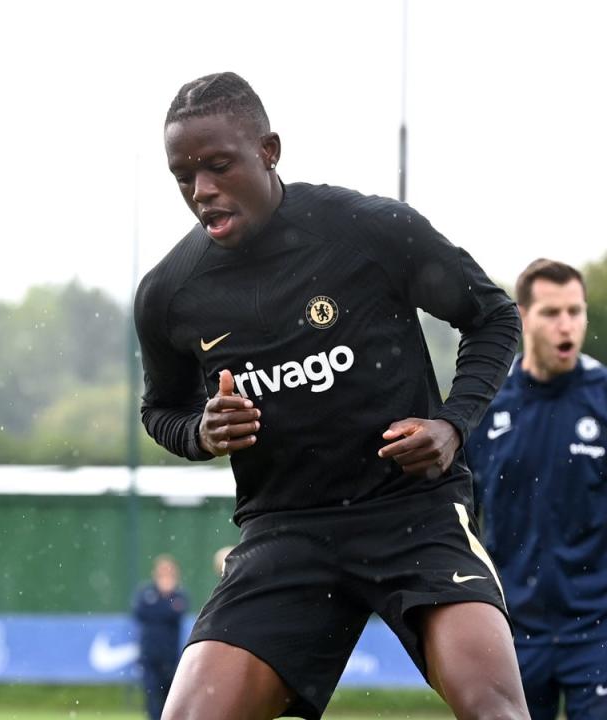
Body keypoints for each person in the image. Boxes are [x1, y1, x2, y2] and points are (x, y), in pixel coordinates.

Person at [134, 72, 529, 720]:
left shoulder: (368, 230)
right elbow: (160, 411)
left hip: (413, 512)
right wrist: (200, 432)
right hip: (284, 531)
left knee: (497, 712)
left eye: (218, 165)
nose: (201, 191)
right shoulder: (170, 293)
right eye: (183, 176)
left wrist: (453, 426)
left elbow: (493, 316)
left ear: (269, 150)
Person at [464, 259, 607, 720]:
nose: (566, 325)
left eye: (575, 311)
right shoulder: (488, 409)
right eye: (551, 313)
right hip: (514, 632)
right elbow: (459, 522)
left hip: (601, 630)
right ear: (522, 316)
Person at [132, 555, 189, 720]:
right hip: (149, 655)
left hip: (170, 656)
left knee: (170, 698)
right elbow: (140, 613)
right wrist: (163, 606)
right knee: (151, 697)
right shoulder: (146, 592)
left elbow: (174, 614)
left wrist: (164, 600)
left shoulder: (179, 594)